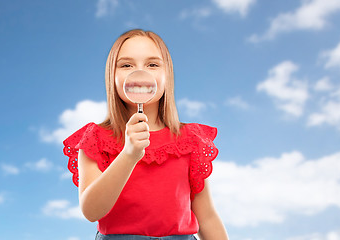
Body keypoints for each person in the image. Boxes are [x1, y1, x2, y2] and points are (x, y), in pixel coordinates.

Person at [63, 29, 229, 240]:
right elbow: (91, 211)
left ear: (166, 74)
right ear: (111, 77)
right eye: (126, 65)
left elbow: (207, 218)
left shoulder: (190, 140)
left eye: (152, 64)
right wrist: (129, 155)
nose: (140, 72)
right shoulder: (95, 139)